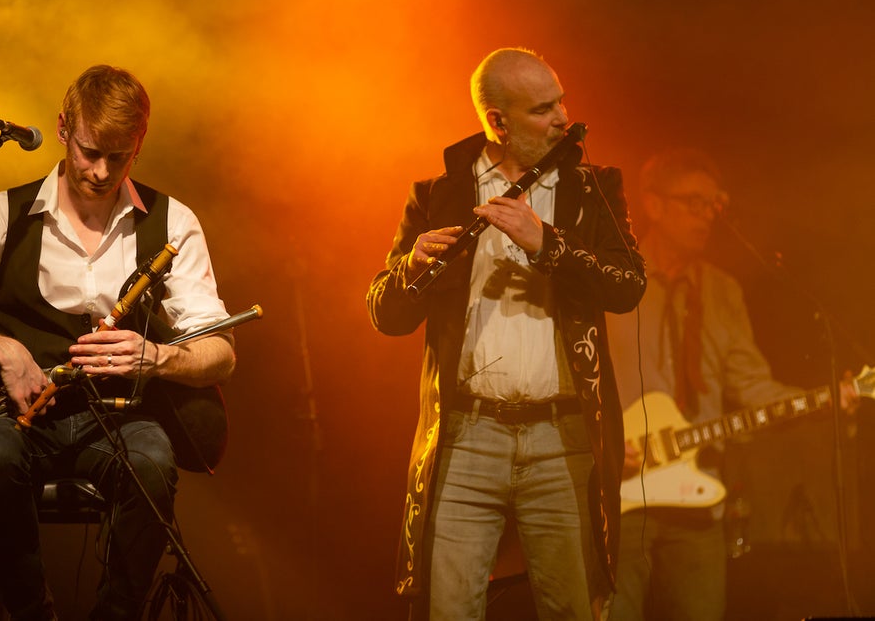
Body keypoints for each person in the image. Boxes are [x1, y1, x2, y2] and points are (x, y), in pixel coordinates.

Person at [0, 64, 236, 621]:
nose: (100, 172)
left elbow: (221, 352)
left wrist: (161, 358)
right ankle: (32, 613)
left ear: (138, 147)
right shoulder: (1, 215)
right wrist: (4, 351)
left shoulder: (173, 221)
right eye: (89, 152)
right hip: (21, 417)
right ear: (62, 129)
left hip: (122, 417)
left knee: (152, 462)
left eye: (118, 157)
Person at [366, 47, 646, 620]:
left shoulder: (593, 188)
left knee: (571, 607)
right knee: (449, 609)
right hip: (467, 436)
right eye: (543, 108)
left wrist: (549, 244)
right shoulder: (438, 192)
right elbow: (385, 315)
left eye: (561, 100)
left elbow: (628, 286)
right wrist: (411, 268)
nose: (563, 116)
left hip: (562, 435)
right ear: (497, 121)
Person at [604, 147, 858, 621]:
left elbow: (753, 388)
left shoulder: (722, 291)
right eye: (693, 203)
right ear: (654, 205)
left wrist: (824, 399)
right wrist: (603, 442)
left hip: (699, 502)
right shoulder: (614, 279)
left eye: (714, 204)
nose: (707, 216)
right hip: (615, 498)